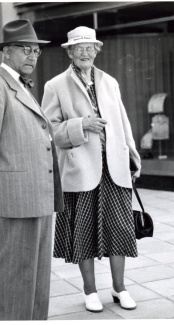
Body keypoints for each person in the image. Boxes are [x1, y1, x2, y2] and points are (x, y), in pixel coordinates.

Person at [42, 26, 141, 312]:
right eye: (79, 48)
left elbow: (122, 122)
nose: (85, 52)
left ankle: (119, 288)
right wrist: (81, 125)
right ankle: (90, 291)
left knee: (120, 230)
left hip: (114, 169)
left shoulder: (109, 81)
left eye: (90, 47)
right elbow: (51, 131)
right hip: (81, 170)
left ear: (97, 50)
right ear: (70, 52)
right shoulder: (55, 85)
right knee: (83, 231)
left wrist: (133, 155)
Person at [0, 20, 63, 320]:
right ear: (6, 52)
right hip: (14, 201)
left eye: (36, 50)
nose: (31, 56)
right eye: (24, 49)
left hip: (38, 197)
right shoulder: (2, 85)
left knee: (37, 279)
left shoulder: (20, 86)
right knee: (16, 279)